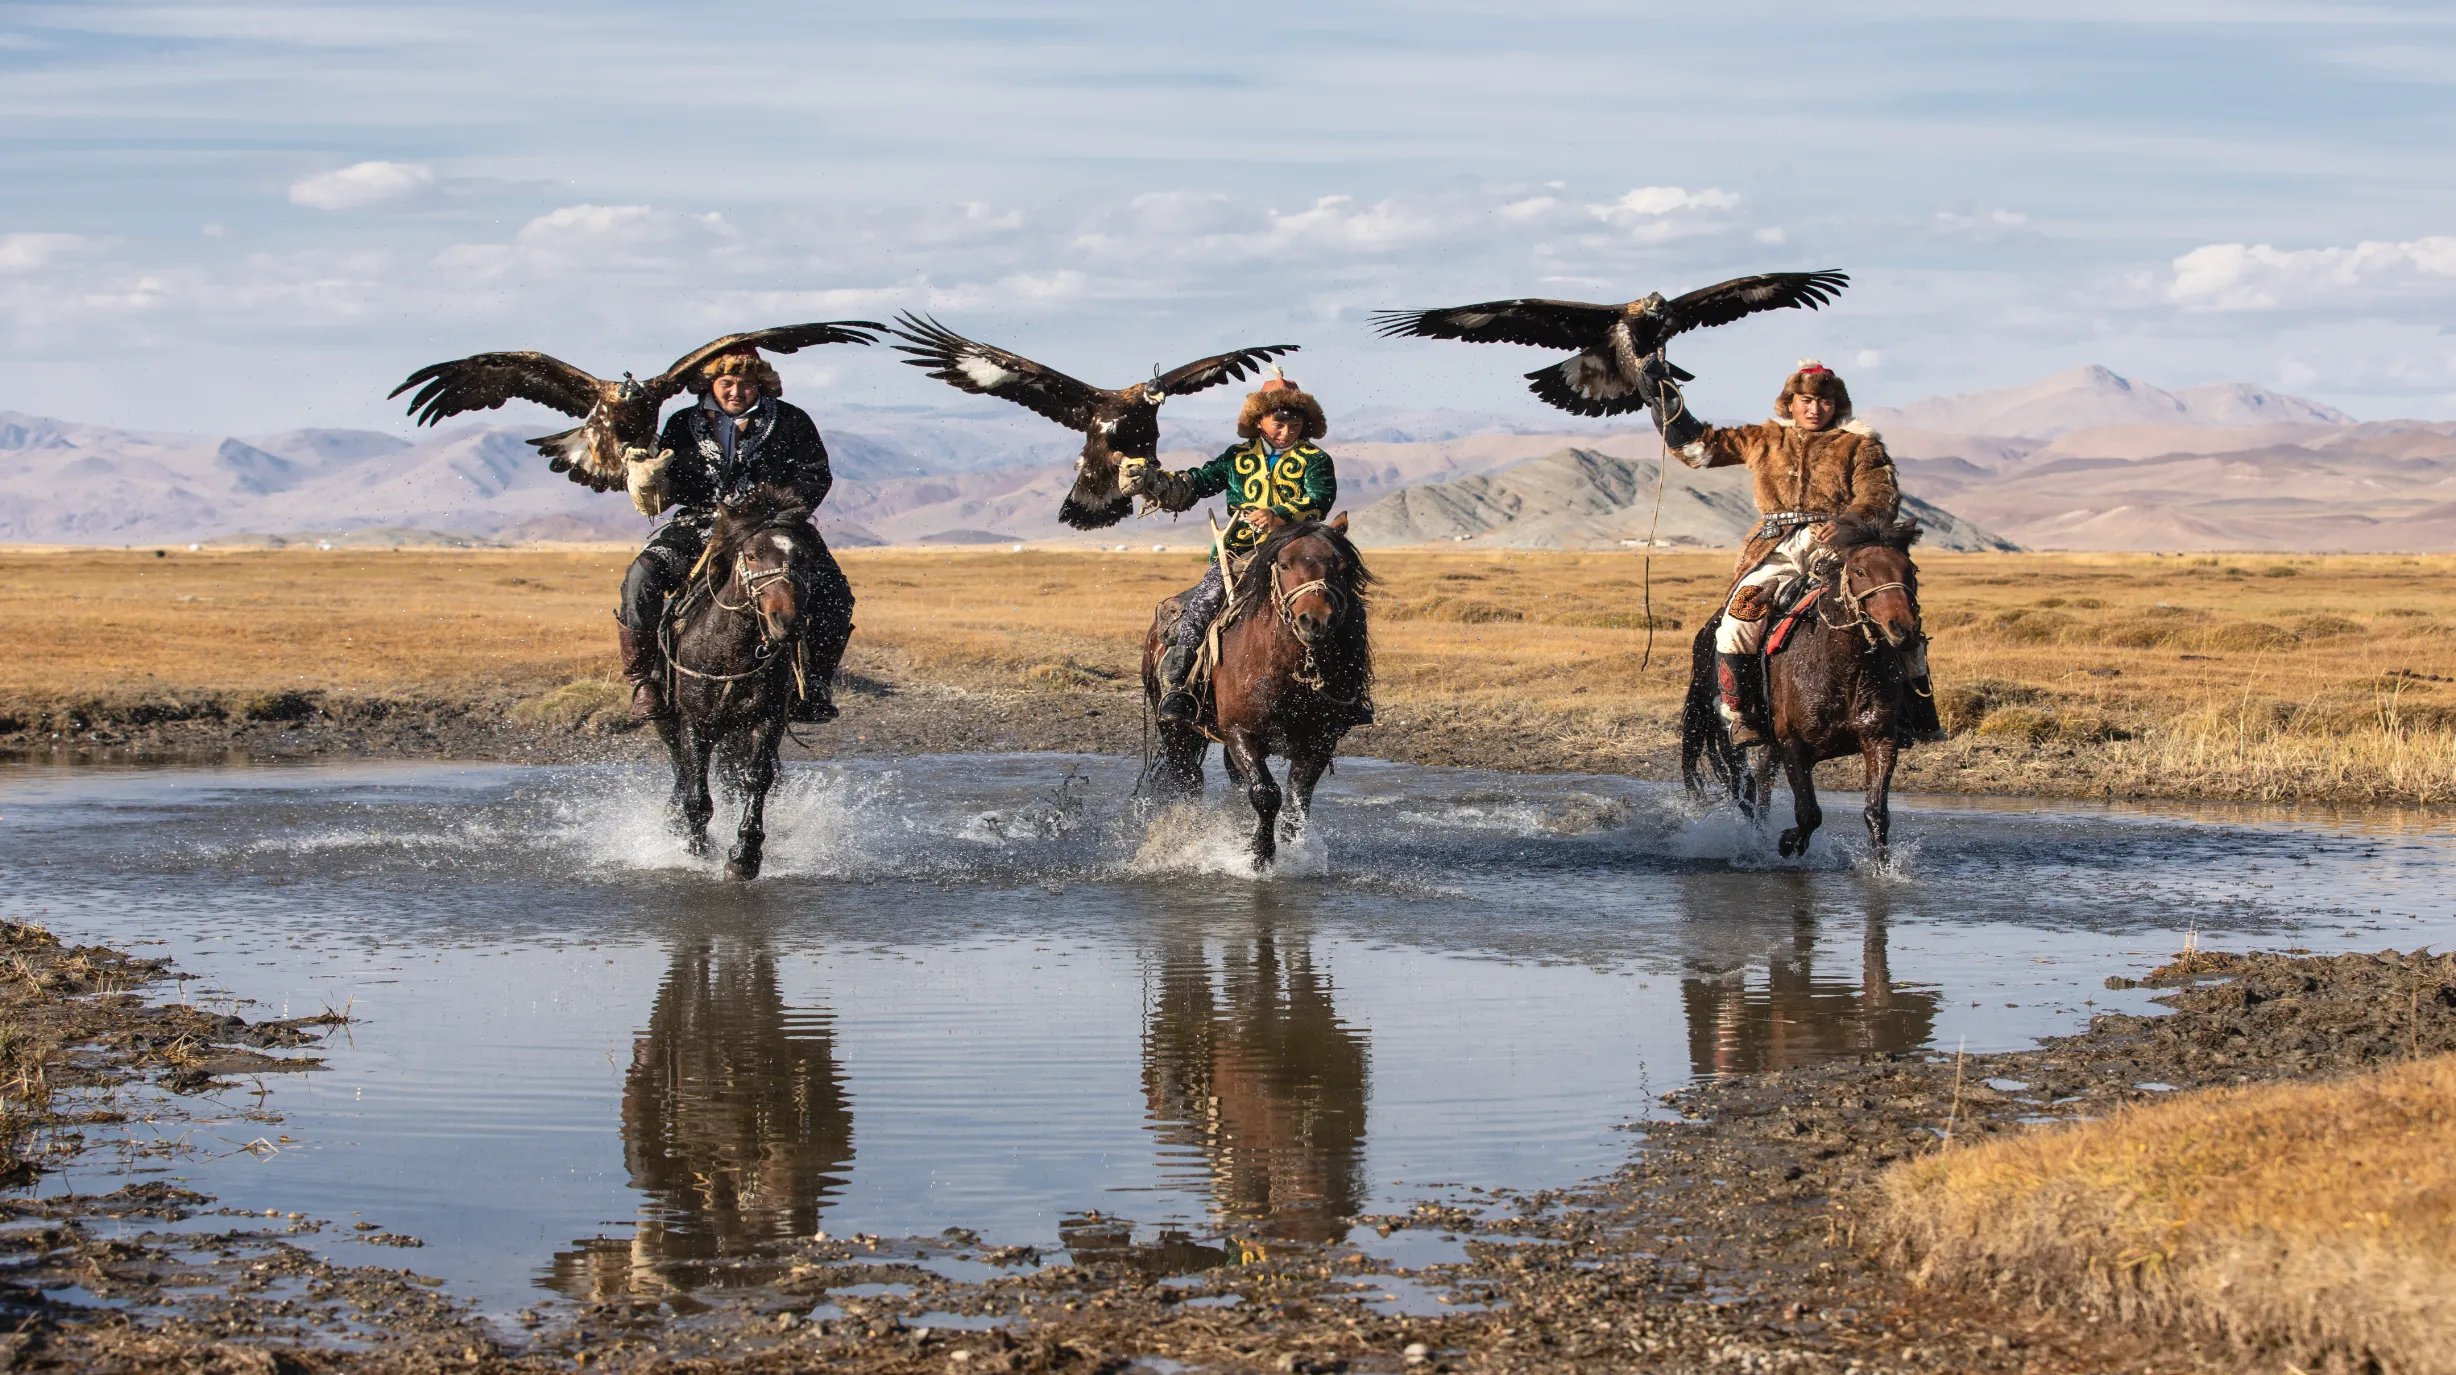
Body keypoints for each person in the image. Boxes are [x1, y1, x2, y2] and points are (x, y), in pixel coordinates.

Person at [1644, 358, 1941, 745]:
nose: (1815, 409)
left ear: (1838, 406)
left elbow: (1880, 497)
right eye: (1806, 400)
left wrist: (1847, 524)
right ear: (1790, 402)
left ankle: (1917, 712)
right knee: (1739, 619)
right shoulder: (1763, 439)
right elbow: (1700, 449)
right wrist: (1664, 402)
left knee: (1892, 616)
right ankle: (1739, 714)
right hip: (1775, 550)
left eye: (1824, 403)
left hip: (1838, 550)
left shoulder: (1861, 446)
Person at [614, 346, 856, 724]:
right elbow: (669, 485)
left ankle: (814, 682)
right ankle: (644, 681)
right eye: (726, 382)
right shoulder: (681, 422)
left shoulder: (792, 420)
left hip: (772, 527)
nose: (736, 391)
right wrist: (649, 481)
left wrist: (780, 512)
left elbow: (815, 475)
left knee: (834, 592)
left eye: (745, 383)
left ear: (761, 383)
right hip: (699, 526)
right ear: (711, 383)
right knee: (641, 577)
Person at [1125, 369, 1360, 726]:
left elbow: (1321, 499)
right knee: (1204, 603)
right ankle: (1178, 684)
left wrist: (1279, 514)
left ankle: (1352, 695)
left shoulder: (1316, 460)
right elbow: (1195, 484)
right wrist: (1152, 482)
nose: (1287, 427)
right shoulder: (1235, 458)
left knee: (1349, 609)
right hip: (1240, 554)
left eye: (1295, 420)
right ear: (1259, 421)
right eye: (1278, 420)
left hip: (1295, 553)